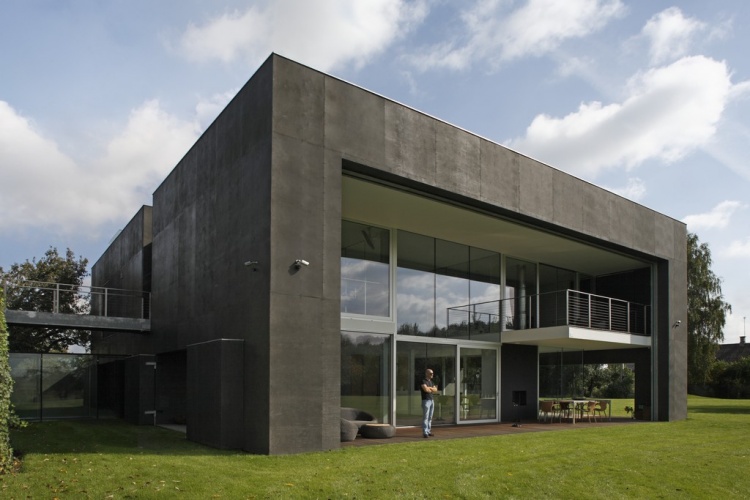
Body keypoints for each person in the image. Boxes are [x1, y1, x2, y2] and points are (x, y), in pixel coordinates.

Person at [420, 368, 438, 438]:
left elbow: (435, 390)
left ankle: (428, 431)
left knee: (430, 417)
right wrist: (431, 389)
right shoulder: (423, 381)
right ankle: (425, 432)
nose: (432, 375)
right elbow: (426, 390)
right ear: (426, 374)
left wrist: (429, 388)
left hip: (431, 400)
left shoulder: (431, 382)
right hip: (426, 400)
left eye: (432, 373)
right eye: (430, 373)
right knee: (426, 417)